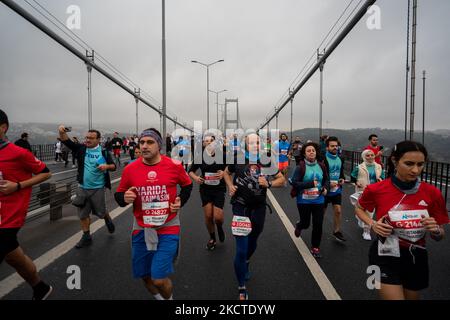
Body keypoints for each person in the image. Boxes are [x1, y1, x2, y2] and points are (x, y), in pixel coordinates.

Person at [356, 141, 448, 300]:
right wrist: (373, 224)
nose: (415, 170)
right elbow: (359, 208)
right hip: (383, 253)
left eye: (420, 164)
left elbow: (440, 235)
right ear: (394, 161)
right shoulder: (376, 189)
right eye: (409, 164)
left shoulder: (433, 193)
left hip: (416, 256)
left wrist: (436, 231)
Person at [114, 128, 193, 300]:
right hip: (141, 227)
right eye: (142, 142)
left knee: (158, 279)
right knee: (145, 276)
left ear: (159, 145)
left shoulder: (174, 165)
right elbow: (119, 195)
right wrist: (124, 197)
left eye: (150, 142)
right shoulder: (130, 169)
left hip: (168, 226)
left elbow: (187, 185)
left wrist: (180, 200)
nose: (144, 146)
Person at [224, 132, 285, 300]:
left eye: (257, 142)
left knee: (253, 241)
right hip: (240, 207)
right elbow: (226, 173)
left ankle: (247, 261)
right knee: (241, 250)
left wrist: (270, 183)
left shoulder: (266, 161)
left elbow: (282, 179)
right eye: (251, 143)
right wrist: (230, 186)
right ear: (245, 145)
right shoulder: (237, 159)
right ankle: (241, 286)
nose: (255, 145)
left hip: (259, 208)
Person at [0, 109, 53, 300]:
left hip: (9, 216)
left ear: (3, 127)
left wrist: (18, 186)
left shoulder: (18, 153)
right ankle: (40, 287)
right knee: (13, 257)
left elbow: (46, 173)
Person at [58, 125, 116, 248]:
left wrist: (106, 166)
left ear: (98, 140)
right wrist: (61, 131)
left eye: (91, 138)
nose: (87, 140)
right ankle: (86, 236)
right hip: (82, 187)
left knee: (100, 212)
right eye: (86, 137)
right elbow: (66, 141)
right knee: (83, 214)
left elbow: (113, 166)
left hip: (98, 188)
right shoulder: (81, 149)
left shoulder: (104, 151)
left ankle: (106, 217)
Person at [289, 142, 329, 258]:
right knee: (306, 223)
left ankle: (315, 247)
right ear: (304, 153)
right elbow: (294, 183)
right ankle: (300, 225)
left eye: (313, 150)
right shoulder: (300, 167)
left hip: (319, 200)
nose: (311, 152)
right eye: (308, 151)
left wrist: (325, 188)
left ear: (316, 153)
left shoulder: (321, 166)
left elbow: (326, 179)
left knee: (318, 224)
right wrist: (310, 183)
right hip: (303, 201)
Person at [188, 135, 227, 250]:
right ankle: (212, 238)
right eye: (207, 141)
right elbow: (190, 171)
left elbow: (230, 168)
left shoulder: (222, 156)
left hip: (219, 189)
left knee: (218, 217)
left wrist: (223, 173)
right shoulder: (200, 157)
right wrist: (195, 178)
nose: (209, 143)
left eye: (211, 141)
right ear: (204, 144)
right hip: (205, 189)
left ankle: (219, 227)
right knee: (208, 216)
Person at [350, 149, 385, 240]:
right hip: (363, 191)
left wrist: (380, 180)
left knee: (370, 212)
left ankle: (366, 231)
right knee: (361, 210)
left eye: (372, 155)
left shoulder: (378, 166)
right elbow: (352, 177)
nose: (370, 157)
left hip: (374, 192)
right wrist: (357, 182)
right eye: (367, 155)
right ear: (364, 157)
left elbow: (383, 177)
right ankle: (360, 217)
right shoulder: (359, 167)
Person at [323, 136, 346, 242]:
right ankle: (318, 227)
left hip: (336, 189)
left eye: (336, 146)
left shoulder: (340, 158)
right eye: (332, 146)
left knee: (338, 210)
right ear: (327, 147)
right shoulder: (322, 159)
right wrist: (328, 184)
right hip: (325, 190)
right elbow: (319, 175)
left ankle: (336, 231)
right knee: (322, 212)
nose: (335, 148)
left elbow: (341, 173)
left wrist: (342, 179)